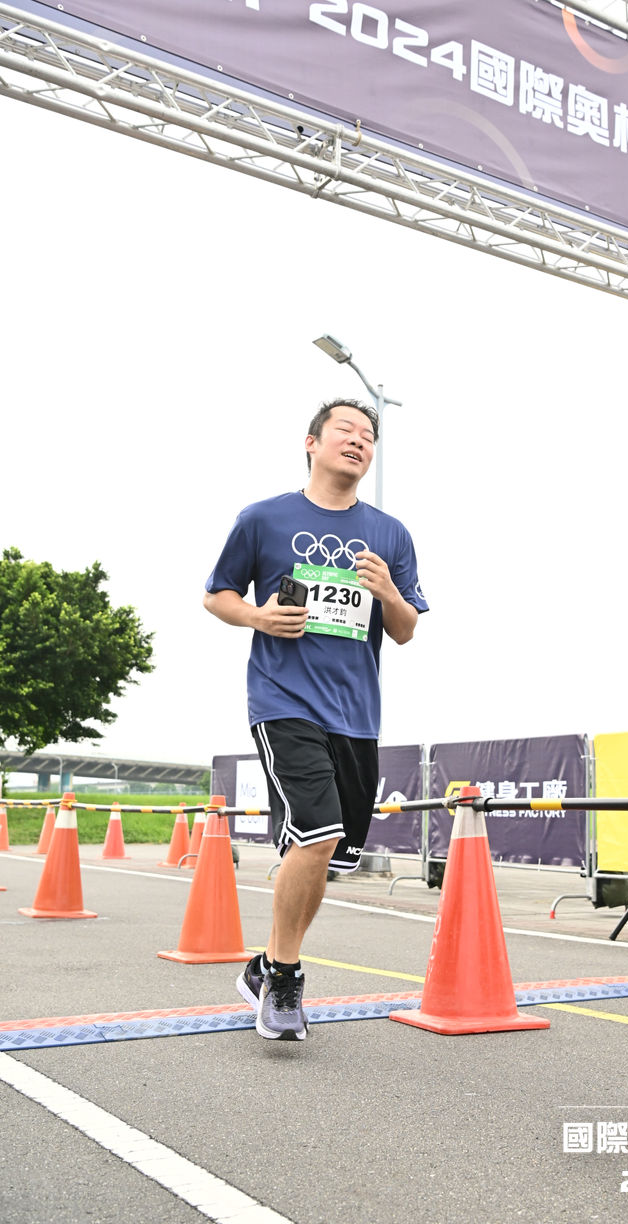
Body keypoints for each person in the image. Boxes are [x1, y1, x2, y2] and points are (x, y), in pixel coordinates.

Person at [203, 399, 427, 1041]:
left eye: (368, 436)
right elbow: (217, 594)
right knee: (318, 831)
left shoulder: (390, 534)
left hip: (355, 716)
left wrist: (388, 593)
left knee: (328, 852)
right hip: (283, 700)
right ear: (312, 443)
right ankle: (285, 980)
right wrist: (257, 616)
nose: (358, 441)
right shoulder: (264, 518)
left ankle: (266, 965)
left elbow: (406, 630)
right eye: (345, 431)